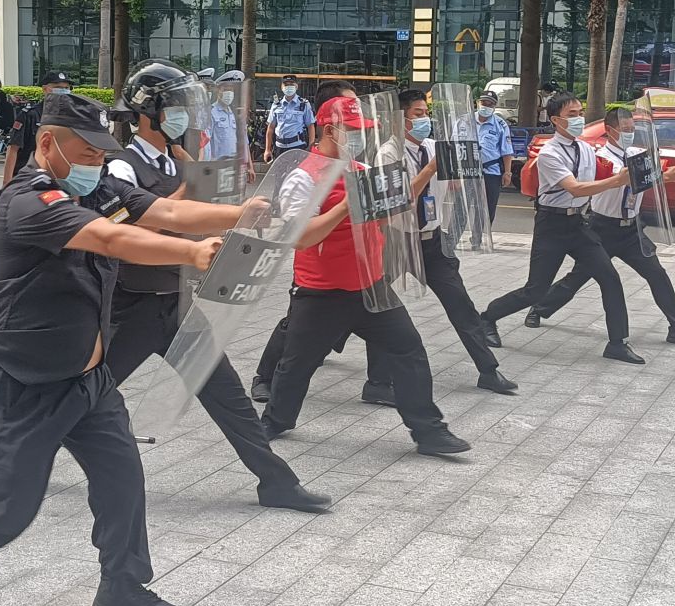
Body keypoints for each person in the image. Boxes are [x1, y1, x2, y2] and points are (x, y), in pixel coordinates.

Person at [0, 91, 240, 606]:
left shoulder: (100, 186)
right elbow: (110, 238)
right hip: (25, 377)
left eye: (101, 151)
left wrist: (245, 213)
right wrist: (191, 251)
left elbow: (166, 210)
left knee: (121, 480)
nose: (97, 161)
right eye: (86, 151)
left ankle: (122, 588)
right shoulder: (28, 201)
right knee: (7, 510)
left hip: (88, 377)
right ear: (49, 144)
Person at [104, 63, 330, 513]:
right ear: (149, 113)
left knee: (229, 396)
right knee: (84, 393)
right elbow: (125, 233)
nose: (186, 116)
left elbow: (197, 223)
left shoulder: (176, 163)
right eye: (177, 108)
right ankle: (23, 459)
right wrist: (191, 187)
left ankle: (277, 482)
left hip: (179, 304)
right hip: (131, 307)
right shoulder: (121, 167)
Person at [262, 95, 471, 456]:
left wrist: (429, 170)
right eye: (353, 130)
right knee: (297, 363)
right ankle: (274, 421)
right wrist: (346, 207)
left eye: (364, 129)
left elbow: (395, 206)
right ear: (330, 130)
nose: (360, 136)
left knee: (408, 349)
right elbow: (301, 237)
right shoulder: (303, 177)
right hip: (322, 291)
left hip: (371, 285)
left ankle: (429, 431)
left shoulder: (361, 169)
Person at [358, 89, 518, 405]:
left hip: (433, 241)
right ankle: (376, 382)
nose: (424, 120)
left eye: (426, 113)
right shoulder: (387, 154)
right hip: (397, 241)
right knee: (381, 309)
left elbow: (459, 180)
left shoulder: (433, 147)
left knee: (461, 304)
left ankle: (488, 370)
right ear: (400, 120)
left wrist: (461, 171)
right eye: (417, 114)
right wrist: (430, 170)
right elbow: (398, 199)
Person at [480, 94, 646, 365]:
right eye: (572, 114)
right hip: (552, 225)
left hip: (579, 224)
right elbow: (575, 188)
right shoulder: (549, 153)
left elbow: (599, 179)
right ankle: (487, 318)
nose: (579, 118)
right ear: (556, 120)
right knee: (535, 290)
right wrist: (617, 181)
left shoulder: (586, 149)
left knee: (610, 278)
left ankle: (618, 343)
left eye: (580, 112)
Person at [530, 105, 675, 348]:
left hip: (631, 230)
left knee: (657, 275)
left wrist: (674, 170)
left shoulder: (638, 153)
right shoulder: (600, 157)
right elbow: (622, 177)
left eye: (632, 129)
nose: (630, 133)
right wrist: (657, 175)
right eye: (625, 129)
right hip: (603, 227)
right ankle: (539, 308)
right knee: (578, 277)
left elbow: (648, 174)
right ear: (610, 131)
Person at [3, 71, 72, 182]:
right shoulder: (30, 115)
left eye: (66, 88)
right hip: (27, 178)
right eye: (58, 88)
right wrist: (7, 183)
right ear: (45, 89)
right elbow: (13, 149)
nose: (63, 91)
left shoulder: (70, 117)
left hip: (55, 179)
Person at [474, 90, 514, 224]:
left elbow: (506, 151)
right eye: (483, 103)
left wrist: (507, 173)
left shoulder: (500, 125)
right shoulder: (465, 121)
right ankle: (453, 235)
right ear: (478, 103)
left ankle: (480, 236)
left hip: (490, 171)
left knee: (487, 209)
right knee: (460, 207)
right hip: (467, 171)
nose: (486, 106)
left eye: (490, 104)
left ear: (494, 107)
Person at [264, 77, 315, 160]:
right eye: (286, 85)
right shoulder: (276, 105)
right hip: (279, 147)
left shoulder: (304, 104)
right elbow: (270, 128)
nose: (289, 87)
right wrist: (267, 150)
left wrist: (311, 146)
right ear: (282, 87)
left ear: (296, 86)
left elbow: (310, 126)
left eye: (291, 84)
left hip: (297, 146)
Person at [207, 69, 245, 161]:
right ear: (218, 90)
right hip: (217, 162)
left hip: (233, 161)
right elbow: (206, 142)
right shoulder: (211, 112)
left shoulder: (233, 113)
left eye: (231, 90)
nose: (229, 93)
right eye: (225, 89)